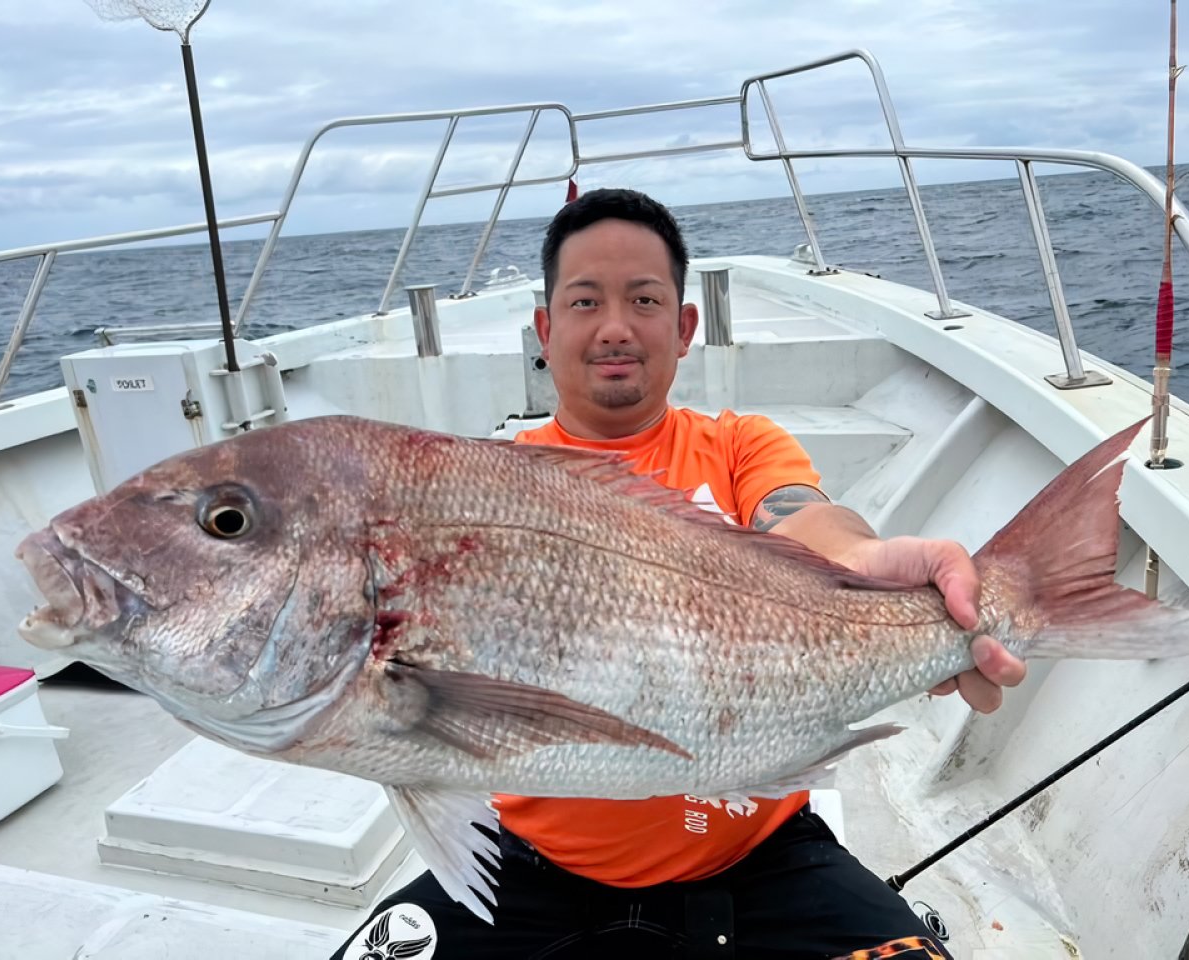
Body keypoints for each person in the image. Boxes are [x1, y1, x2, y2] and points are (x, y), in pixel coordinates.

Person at [331, 188, 1025, 960]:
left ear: (685, 326)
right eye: (586, 301)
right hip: (530, 865)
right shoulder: (493, 486)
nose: (616, 327)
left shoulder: (739, 445)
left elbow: (799, 517)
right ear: (546, 328)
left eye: (645, 299)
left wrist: (860, 564)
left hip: (764, 858)